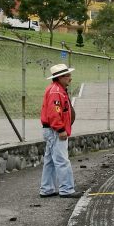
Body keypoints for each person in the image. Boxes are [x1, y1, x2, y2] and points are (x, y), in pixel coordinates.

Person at [39, 63, 82, 199]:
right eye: (67, 75)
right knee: (62, 160)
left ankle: (47, 189)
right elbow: (54, 113)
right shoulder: (56, 91)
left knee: (50, 160)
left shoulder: (56, 89)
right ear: (60, 77)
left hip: (51, 130)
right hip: (55, 131)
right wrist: (61, 129)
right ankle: (67, 189)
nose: (70, 78)